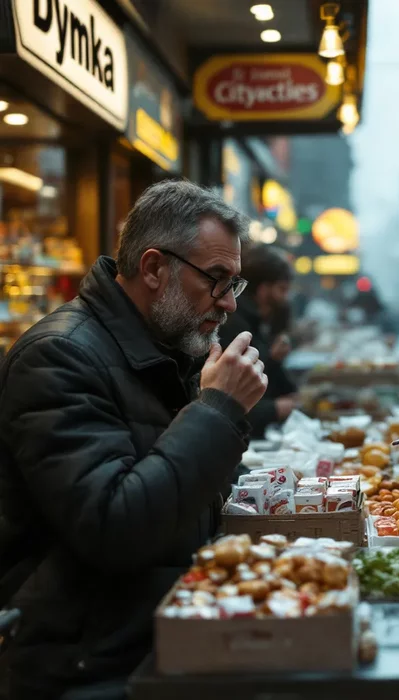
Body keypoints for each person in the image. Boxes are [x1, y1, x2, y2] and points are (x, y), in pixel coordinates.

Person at [0, 180, 267, 699]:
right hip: (86, 665)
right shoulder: (58, 357)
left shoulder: (166, 348)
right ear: (152, 268)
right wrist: (218, 410)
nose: (229, 305)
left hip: (154, 641)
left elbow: (183, 496)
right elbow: (116, 527)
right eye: (216, 280)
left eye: (235, 284)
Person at [218, 244, 297, 438]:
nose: (285, 299)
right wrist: (276, 408)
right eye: (282, 289)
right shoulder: (234, 324)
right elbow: (227, 401)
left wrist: (274, 359)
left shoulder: (262, 321)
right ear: (262, 289)